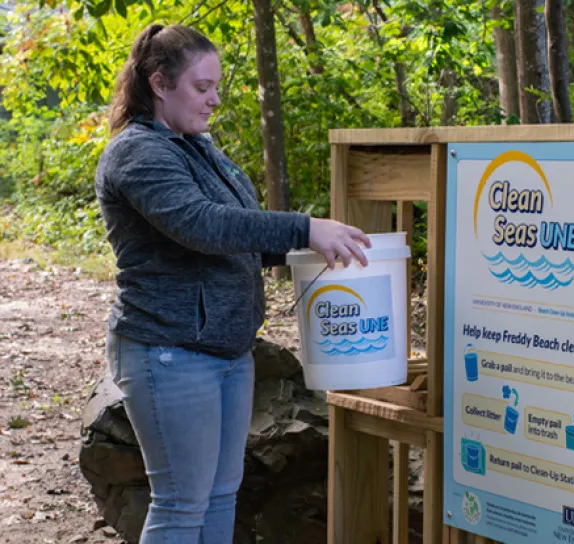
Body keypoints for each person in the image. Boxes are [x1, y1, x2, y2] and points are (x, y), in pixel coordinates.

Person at [94, 23, 369, 543]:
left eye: (216, 87)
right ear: (159, 83)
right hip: (169, 353)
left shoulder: (197, 147)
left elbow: (239, 236)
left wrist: (311, 248)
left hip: (226, 352)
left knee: (220, 498)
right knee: (180, 505)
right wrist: (305, 227)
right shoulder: (137, 153)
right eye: (203, 88)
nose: (215, 99)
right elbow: (202, 225)